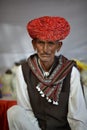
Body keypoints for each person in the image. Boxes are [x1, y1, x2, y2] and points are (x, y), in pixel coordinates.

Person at [7, 16, 87, 130]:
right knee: (14, 112)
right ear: (34, 44)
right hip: (35, 128)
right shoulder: (23, 70)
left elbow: (77, 117)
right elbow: (26, 110)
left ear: (58, 46)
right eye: (40, 43)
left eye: (50, 43)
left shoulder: (70, 71)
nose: (45, 49)